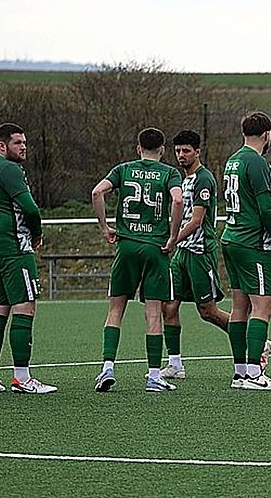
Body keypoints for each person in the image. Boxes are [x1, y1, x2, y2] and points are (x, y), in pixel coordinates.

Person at [91, 127, 183, 393]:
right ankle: (154, 376)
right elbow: (177, 200)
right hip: (155, 248)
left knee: (115, 309)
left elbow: (97, 192)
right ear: (163, 150)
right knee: (153, 311)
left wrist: (105, 227)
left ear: (137, 148)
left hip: (127, 246)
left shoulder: (123, 169)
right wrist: (173, 235)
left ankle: (107, 367)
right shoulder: (169, 172)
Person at [0, 123, 56, 394]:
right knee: (25, 307)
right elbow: (31, 209)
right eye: (17, 143)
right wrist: (36, 234)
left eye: (24, 142)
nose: (23, 147)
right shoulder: (8, 168)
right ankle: (22, 377)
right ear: (2, 146)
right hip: (13, 248)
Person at [220, 111, 271, 390]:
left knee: (239, 307)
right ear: (267, 134)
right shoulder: (256, 161)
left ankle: (239, 373)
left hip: (231, 238)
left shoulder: (233, 160)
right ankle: (254, 374)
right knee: (263, 306)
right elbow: (265, 208)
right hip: (252, 242)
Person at [159, 130, 230, 380]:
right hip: (182, 253)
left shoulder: (204, 179)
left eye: (186, 150)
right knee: (169, 305)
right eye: (177, 150)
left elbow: (197, 221)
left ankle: (254, 342)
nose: (181, 155)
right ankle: (175, 364)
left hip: (200, 251)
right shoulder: (182, 179)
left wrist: (171, 239)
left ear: (197, 152)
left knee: (207, 311)